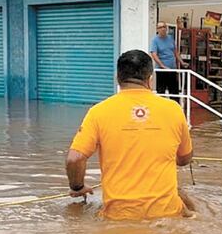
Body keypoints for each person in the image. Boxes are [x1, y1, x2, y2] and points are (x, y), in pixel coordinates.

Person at [66, 49, 195, 220]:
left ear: (117, 79)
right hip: (167, 214)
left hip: (118, 216)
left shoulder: (98, 112)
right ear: (150, 79)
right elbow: (185, 159)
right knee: (187, 202)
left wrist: (77, 187)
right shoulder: (174, 110)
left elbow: (74, 159)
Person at [150, 22, 186, 101]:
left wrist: (182, 62)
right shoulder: (155, 40)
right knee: (161, 91)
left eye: (164, 27)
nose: (163, 29)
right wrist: (162, 66)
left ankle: (175, 109)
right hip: (161, 70)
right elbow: (154, 54)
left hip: (172, 69)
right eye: (160, 27)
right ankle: (162, 110)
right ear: (157, 29)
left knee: (174, 92)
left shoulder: (170, 38)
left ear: (166, 28)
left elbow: (175, 52)